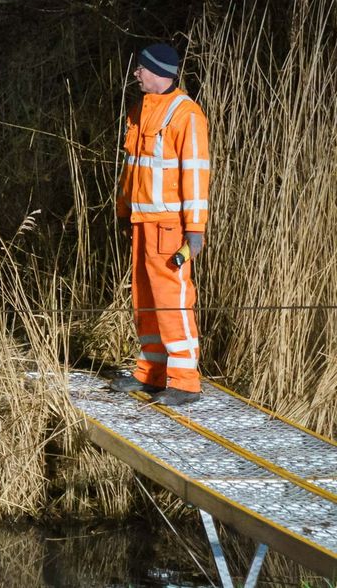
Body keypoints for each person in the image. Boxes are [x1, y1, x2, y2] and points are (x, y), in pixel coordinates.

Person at [110, 43, 210, 407]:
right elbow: (131, 170)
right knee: (145, 299)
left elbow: (197, 176)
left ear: (159, 72)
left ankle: (184, 379)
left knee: (172, 299)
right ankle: (152, 372)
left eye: (141, 68)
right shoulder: (139, 110)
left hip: (169, 226)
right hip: (141, 221)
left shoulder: (186, 115)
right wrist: (124, 212)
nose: (136, 74)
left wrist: (194, 231)